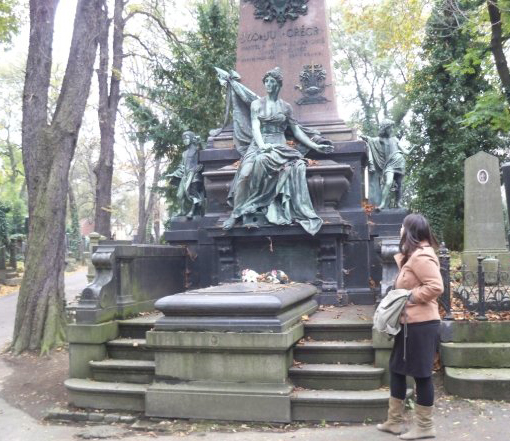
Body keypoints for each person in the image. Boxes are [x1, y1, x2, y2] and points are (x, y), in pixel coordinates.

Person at [219, 67, 333, 235]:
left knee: (280, 165)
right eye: (266, 82)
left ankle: (258, 204)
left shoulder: (286, 107)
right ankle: (236, 213)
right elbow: (256, 127)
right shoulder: (257, 104)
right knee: (244, 173)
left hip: (279, 144)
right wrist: (262, 145)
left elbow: (296, 131)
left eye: (272, 82)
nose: (269, 85)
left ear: (279, 84)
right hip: (259, 144)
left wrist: (315, 146)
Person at [377, 213, 443, 440]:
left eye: (402, 227)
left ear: (411, 231)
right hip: (408, 324)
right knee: (396, 369)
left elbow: (436, 286)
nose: (399, 231)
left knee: (422, 375)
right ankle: (394, 422)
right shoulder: (412, 256)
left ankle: (425, 427)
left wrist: (409, 297)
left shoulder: (422, 256)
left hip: (422, 324)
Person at [361, 119, 414, 210]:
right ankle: (382, 204)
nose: (391, 130)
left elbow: (405, 151)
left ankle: (398, 203)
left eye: (392, 128)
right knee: (388, 182)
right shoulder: (381, 140)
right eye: (389, 128)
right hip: (390, 164)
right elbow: (372, 140)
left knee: (399, 184)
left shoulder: (395, 139)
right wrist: (366, 138)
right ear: (384, 129)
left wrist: (412, 149)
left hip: (400, 161)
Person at [168, 131, 204, 219]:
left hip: (194, 176)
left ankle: (192, 211)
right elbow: (182, 166)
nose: (185, 140)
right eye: (183, 139)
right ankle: (181, 210)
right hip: (185, 176)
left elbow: (203, 157)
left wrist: (199, 166)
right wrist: (174, 173)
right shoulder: (184, 153)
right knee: (179, 195)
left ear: (191, 139)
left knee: (192, 193)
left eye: (187, 138)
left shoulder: (197, 149)